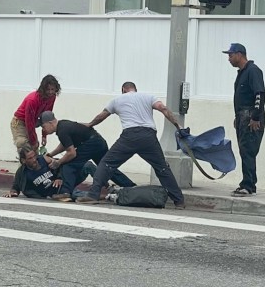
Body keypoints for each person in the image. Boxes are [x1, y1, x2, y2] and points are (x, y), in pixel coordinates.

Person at [75, 82, 186, 210]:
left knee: (106, 163)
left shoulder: (117, 100)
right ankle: (179, 201)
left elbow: (101, 116)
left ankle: (93, 195)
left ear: (123, 90)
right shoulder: (148, 97)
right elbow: (164, 109)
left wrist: (89, 124)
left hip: (129, 137)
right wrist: (178, 126)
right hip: (148, 137)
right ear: (135, 89)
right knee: (162, 168)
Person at [38, 111, 135, 200]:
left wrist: (58, 162)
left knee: (68, 164)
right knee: (106, 167)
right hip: (99, 142)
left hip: (90, 144)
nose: (44, 130)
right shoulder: (63, 125)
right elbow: (65, 144)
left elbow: (71, 153)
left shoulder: (62, 131)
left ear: (50, 123)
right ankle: (131, 187)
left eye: (43, 127)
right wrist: (51, 154)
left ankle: (65, 192)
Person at [223, 43, 265, 197]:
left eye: (230, 55)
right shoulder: (242, 72)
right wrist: (237, 117)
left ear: (239, 55)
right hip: (242, 116)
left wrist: (255, 117)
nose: (229, 58)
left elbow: (260, 94)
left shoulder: (253, 71)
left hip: (250, 116)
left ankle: (247, 185)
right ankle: (250, 183)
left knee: (248, 150)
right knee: (244, 150)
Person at [3, 145, 94, 201]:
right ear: (23, 160)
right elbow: (16, 187)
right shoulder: (22, 173)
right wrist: (13, 193)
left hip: (66, 179)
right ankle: (98, 196)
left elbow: (58, 164)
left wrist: (59, 177)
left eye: (34, 156)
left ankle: (106, 187)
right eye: (30, 158)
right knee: (82, 195)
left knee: (88, 165)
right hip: (58, 191)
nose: (34, 160)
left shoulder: (43, 159)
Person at [10, 74, 60, 152]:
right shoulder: (32, 100)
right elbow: (29, 122)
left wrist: (44, 136)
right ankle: (24, 163)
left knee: (34, 150)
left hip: (33, 122)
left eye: (52, 89)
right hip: (20, 122)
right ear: (43, 89)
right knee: (24, 145)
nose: (50, 92)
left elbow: (46, 118)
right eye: (48, 89)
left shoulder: (52, 97)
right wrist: (34, 141)